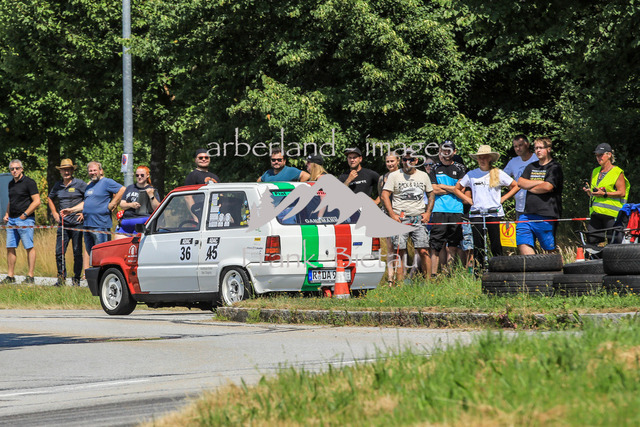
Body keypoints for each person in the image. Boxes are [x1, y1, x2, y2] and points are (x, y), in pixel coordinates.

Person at [455, 145, 519, 272]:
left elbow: (516, 185)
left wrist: (503, 199)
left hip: (494, 213)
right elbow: (457, 188)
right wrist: (469, 200)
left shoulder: (497, 173)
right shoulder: (471, 174)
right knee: (478, 244)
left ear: (490, 158)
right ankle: (479, 271)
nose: (482, 160)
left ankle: (498, 270)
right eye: (480, 158)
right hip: (477, 213)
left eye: (484, 157)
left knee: (496, 243)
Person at [381, 150, 434, 283]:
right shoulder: (394, 175)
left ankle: (428, 282)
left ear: (416, 161)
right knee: (399, 251)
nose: (407, 162)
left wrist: (428, 213)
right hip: (400, 218)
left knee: (423, 250)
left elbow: (431, 194)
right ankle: (400, 284)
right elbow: (384, 195)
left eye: (411, 159)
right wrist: (392, 214)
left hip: (418, 218)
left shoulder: (423, 175)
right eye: (405, 159)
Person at [61, 162, 125, 255]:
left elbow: (122, 189)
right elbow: (86, 203)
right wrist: (71, 210)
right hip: (87, 225)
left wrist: (113, 203)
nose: (92, 173)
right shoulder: (89, 186)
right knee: (91, 254)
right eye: (90, 171)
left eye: (95, 170)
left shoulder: (106, 182)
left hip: (100, 225)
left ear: (100, 171)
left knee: (102, 254)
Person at [517, 137, 563, 254]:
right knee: (522, 241)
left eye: (541, 148)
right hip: (527, 214)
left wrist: (529, 186)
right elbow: (520, 182)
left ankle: (556, 264)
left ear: (548, 149)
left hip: (547, 214)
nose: (538, 151)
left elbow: (548, 187)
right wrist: (539, 182)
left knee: (549, 249)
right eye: (536, 148)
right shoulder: (531, 166)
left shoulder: (554, 167)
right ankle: (531, 264)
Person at [428, 141, 467, 277]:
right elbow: (433, 189)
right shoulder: (434, 168)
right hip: (439, 210)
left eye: (449, 149)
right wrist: (454, 189)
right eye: (444, 149)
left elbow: (461, 189)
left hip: (456, 210)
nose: (446, 152)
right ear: (440, 151)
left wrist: (443, 186)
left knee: (453, 245)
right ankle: (434, 275)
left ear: (454, 151)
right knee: (436, 245)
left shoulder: (460, 168)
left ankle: (449, 274)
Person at [47, 159, 87, 286]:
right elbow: (49, 198)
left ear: (72, 170)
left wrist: (83, 212)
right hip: (63, 225)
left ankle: (76, 279)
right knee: (59, 252)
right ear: (60, 171)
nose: (66, 172)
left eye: (68, 169)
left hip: (77, 224)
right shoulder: (57, 185)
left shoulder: (80, 184)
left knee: (77, 252)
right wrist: (54, 213)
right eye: (64, 170)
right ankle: (61, 279)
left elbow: (90, 197)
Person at [1, 160, 41, 284]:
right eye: (12, 169)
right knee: (10, 247)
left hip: (25, 220)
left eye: (17, 168)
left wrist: (25, 215)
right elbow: (11, 201)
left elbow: (37, 201)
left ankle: (30, 276)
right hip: (12, 220)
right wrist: (7, 214)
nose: (14, 171)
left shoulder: (29, 182)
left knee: (28, 247)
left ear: (22, 169)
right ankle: (10, 276)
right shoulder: (11, 184)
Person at [582, 143, 630, 244]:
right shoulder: (595, 171)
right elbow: (594, 194)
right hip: (596, 213)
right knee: (591, 241)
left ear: (609, 155)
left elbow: (622, 192)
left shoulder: (617, 172)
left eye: (601, 155)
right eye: (597, 155)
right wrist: (589, 192)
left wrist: (604, 194)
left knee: (613, 243)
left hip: (612, 214)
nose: (598, 158)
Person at [116, 165, 161, 239]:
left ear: (147, 175)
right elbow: (122, 204)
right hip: (126, 223)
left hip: (142, 223)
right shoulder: (130, 188)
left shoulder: (151, 190)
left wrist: (151, 196)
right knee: (118, 242)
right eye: (137, 175)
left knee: (135, 244)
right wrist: (131, 205)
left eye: (142, 175)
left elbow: (157, 208)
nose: (139, 177)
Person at [378, 151, 401, 283]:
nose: (390, 164)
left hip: (401, 214)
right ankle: (390, 278)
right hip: (387, 214)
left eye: (392, 161)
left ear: (398, 161)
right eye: (388, 161)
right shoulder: (382, 178)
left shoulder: (402, 175)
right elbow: (381, 197)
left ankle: (401, 276)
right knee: (390, 248)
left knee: (401, 248)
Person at [503, 134, 538, 220]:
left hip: (537, 205)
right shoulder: (513, 162)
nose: (518, 148)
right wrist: (512, 187)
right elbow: (502, 178)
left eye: (520, 145)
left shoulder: (537, 159)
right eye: (515, 146)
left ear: (527, 144)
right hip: (520, 207)